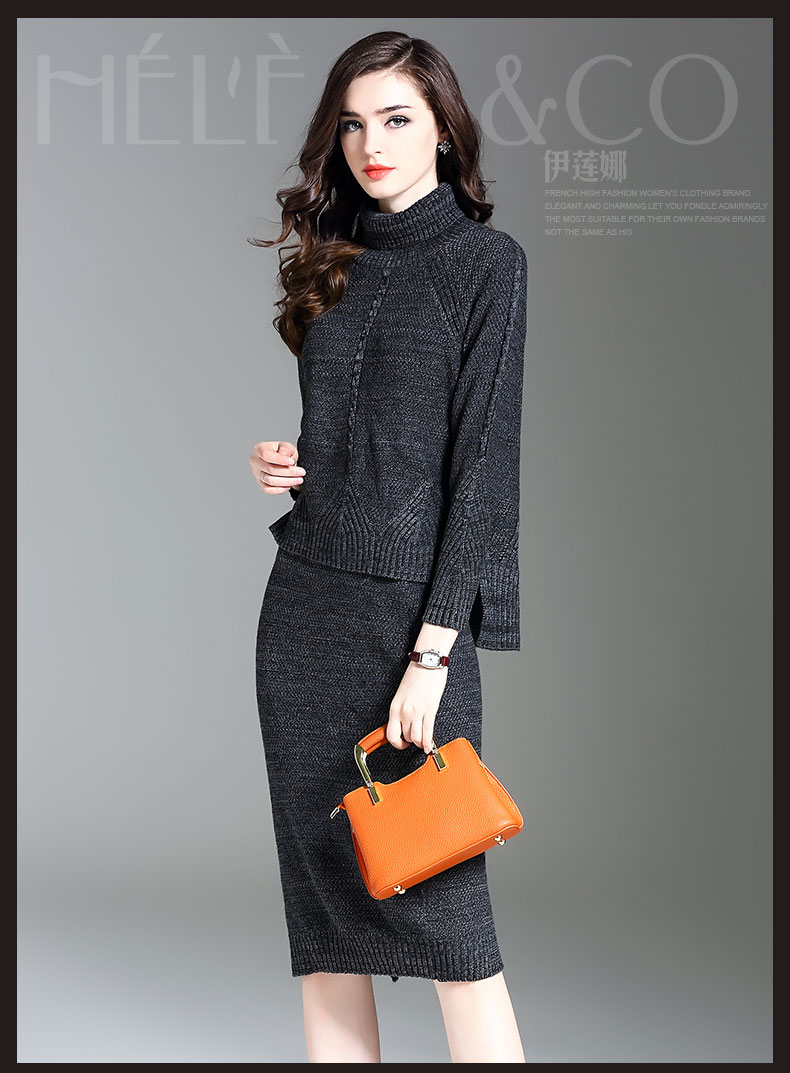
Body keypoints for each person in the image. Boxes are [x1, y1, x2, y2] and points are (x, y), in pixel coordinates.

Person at [248, 30, 528, 1063]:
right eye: (354, 124)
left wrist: (433, 652)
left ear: (443, 130)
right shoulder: (335, 261)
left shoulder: (487, 266)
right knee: (325, 920)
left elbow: (480, 474)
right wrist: (287, 463)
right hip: (304, 612)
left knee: (452, 931)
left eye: (397, 119)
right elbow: (354, 439)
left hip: (411, 629)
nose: (372, 144)